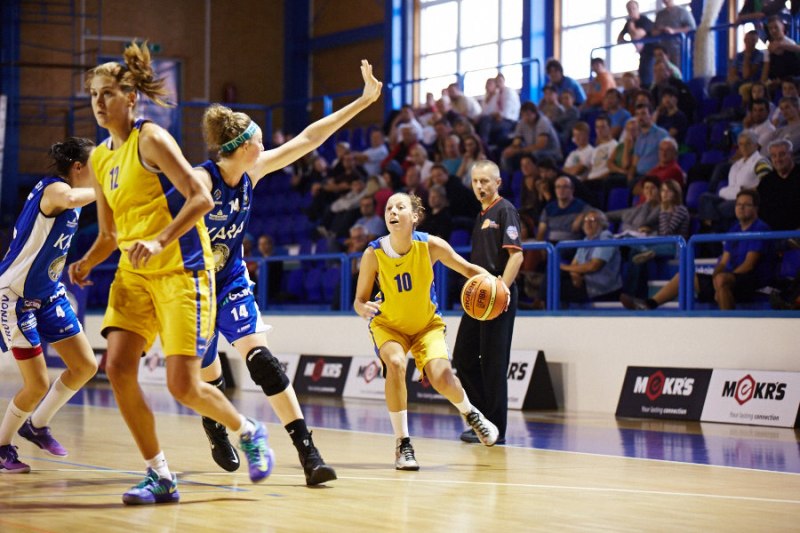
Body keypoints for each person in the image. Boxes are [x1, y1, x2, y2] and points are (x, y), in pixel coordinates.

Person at [68, 42, 273, 504]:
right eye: (93, 95)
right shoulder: (100, 159)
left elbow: (201, 199)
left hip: (183, 269)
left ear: (130, 98)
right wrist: (86, 261)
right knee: (117, 368)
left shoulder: (152, 139)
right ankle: (159, 474)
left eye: (107, 93)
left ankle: (248, 429)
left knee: (183, 385)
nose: (99, 102)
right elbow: (109, 232)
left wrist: (160, 240)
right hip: (134, 272)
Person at [193, 60, 382, 485]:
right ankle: (215, 426)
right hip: (193, 287)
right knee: (208, 375)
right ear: (244, 146)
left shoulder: (252, 171)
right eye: (260, 141)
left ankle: (308, 453)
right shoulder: (201, 181)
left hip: (230, 280)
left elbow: (310, 138)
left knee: (262, 361)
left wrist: (362, 101)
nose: (266, 145)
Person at [353, 192, 502, 470]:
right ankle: (403, 443)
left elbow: (468, 269)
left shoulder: (431, 245)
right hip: (389, 325)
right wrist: (362, 308)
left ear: (414, 217)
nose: (392, 211)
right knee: (395, 363)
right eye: (388, 208)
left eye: (399, 207)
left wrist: (497, 285)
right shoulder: (373, 253)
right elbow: (359, 300)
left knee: (442, 378)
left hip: (426, 325)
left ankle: (471, 414)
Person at [0, 138, 99, 473]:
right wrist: (109, 188)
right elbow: (70, 198)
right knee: (37, 384)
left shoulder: (75, 194)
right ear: (78, 167)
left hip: (48, 293)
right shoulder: (56, 189)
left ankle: (37, 425)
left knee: (84, 366)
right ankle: (2, 447)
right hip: (15, 296)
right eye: (96, 166)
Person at [452, 160, 523, 445]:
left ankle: (497, 429)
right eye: (475, 181)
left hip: (498, 295)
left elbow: (516, 255)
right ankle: (481, 420)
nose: (479, 186)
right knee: (463, 358)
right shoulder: (481, 214)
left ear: (498, 183)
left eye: (485, 181)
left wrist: (501, 288)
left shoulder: (505, 210)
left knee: (494, 363)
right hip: (478, 297)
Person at [622, 189, 774, 310]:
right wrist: (715, 278)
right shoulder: (734, 229)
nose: (741, 207)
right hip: (729, 279)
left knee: (722, 280)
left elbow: (749, 265)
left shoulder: (760, 228)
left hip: (752, 280)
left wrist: (722, 280)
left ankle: (729, 326)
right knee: (684, 276)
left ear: (756, 208)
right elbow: (723, 262)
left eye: (746, 205)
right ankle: (649, 304)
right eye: (738, 204)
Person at [559, 209, 623, 307]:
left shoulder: (605, 237)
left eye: (592, 220)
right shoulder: (586, 240)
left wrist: (564, 267)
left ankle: (543, 307)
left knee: (556, 284)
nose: (587, 224)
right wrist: (574, 275)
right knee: (553, 276)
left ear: (602, 224)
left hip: (600, 287)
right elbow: (574, 264)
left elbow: (593, 266)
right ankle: (543, 306)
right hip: (585, 281)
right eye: (585, 221)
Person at [617, 0, 656, 86]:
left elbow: (636, 35)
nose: (631, 11)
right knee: (642, 76)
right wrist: (627, 41)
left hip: (652, 53)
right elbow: (619, 39)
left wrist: (631, 23)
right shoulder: (628, 23)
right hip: (642, 54)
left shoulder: (644, 21)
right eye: (629, 9)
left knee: (647, 77)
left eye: (633, 8)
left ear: (638, 8)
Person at [652, 0, 696, 70]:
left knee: (678, 72)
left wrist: (674, 31)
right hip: (663, 51)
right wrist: (660, 31)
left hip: (679, 50)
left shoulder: (683, 12)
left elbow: (692, 28)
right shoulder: (660, 14)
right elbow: (654, 31)